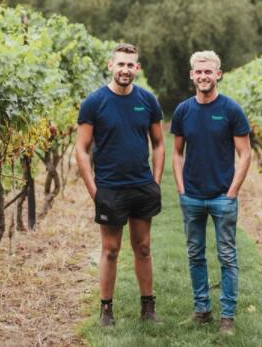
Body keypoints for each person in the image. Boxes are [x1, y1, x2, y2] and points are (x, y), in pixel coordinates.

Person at [75, 43, 165, 327]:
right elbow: (82, 149)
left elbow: (159, 144)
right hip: (110, 188)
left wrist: (156, 181)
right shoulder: (94, 102)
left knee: (143, 247)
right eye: (121, 64)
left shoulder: (148, 101)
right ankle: (106, 310)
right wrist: (95, 191)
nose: (125, 69)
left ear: (136, 68)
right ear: (110, 65)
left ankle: (148, 308)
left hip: (141, 186)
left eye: (131, 65)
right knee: (110, 249)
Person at [171, 50, 252, 335]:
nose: (203, 76)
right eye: (198, 71)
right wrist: (181, 189)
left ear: (218, 74)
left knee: (227, 257)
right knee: (195, 255)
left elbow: (245, 154)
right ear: (192, 75)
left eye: (209, 71)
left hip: (222, 197)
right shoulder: (183, 111)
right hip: (191, 196)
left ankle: (227, 317)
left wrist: (232, 192)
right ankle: (202, 309)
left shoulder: (231, 110)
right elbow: (177, 153)